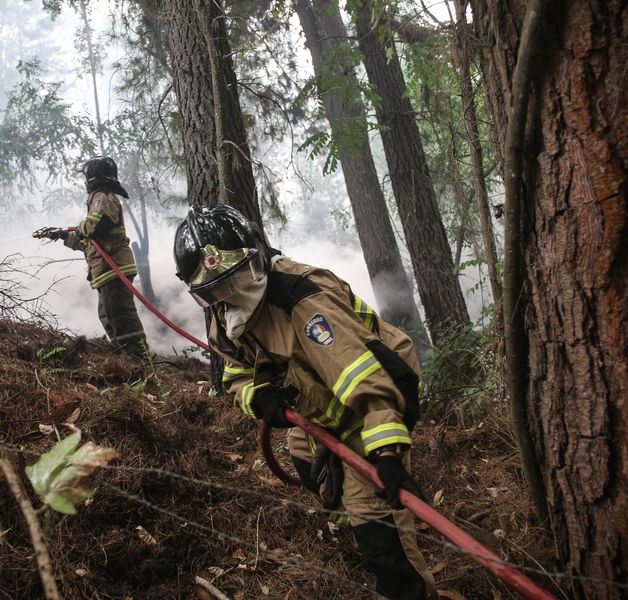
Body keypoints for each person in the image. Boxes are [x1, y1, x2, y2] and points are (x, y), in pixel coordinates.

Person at [173, 205, 438, 600]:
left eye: (239, 278)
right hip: (319, 411)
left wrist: (387, 454)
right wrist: (258, 397)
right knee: (306, 462)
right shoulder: (223, 321)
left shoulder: (303, 300)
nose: (233, 295)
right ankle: (349, 506)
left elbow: (368, 379)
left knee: (380, 529)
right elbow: (235, 376)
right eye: (216, 290)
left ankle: (407, 586)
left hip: (374, 404)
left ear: (260, 257)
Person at [34, 156, 149, 360]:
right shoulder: (100, 199)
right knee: (107, 315)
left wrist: (79, 227)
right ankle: (125, 356)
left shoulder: (102, 197)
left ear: (94, 178)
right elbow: (89, 244)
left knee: (121, 316)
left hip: (114, 270)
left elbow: (94, 226)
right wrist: (63, 236)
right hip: (106, 271)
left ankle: (139, 359)